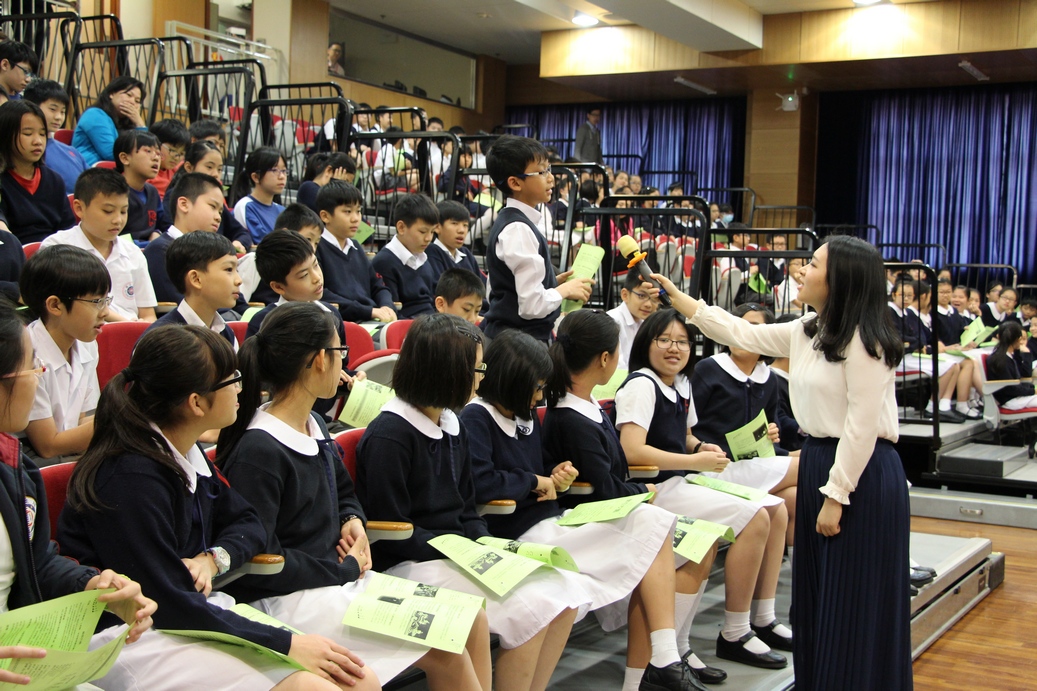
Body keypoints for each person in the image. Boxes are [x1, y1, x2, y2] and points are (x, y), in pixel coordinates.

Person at [651, 235, 913, 690]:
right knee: (817, 594)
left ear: (839, 281)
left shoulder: (865, 340)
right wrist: (684, 302)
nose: (801, 270)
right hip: (819, 460)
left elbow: (861, 426)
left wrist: (836, 494)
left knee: (853, 597)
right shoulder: (807, 330)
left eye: (812, 264)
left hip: (859, 473)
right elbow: (740, 333)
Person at [57, 325, 375, 690]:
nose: (242, 389)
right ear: (196, 403)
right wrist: (286, 643)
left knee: (358, 679)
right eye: (232, 381)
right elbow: (168, 601)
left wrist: (214, 558)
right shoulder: (129, 477)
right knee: (316, 684)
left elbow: (247, 522)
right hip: (130, 635)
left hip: (193, 613)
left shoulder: (186, 449)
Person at [217, 301, 493, 691]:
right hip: (292, 598)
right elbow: (265, 556)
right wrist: (344, 569)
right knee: (445, 644)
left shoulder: (312, 422)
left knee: (467, 619)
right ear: (317, 361)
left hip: (336, 581)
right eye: (339, 354)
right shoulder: (259, 449)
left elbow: (343, 492)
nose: (346, 364)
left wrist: (353, 522)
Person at [463, 329, 717, 691]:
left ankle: (664, 656)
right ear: (513, 381)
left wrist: (556, 475)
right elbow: (482, 481)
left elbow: (537, 470)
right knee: (649, 526)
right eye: (535, 387)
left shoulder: (524, 414)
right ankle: (662, 658)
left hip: (550, 518)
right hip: (515, 531)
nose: (540, 396)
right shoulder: (477, 418)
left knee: (654, 523)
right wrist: (535, 482)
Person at [543, 310, 789, 673]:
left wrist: (696, 449)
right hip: (649, 489)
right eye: (665, 340)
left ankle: (680, 649)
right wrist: (657, 482)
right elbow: (628, 456)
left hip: (651, 488)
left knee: (768, 511)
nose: (675, 348)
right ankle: (695, 645)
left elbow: (666, 444)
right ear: (609, 357)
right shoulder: (634, 387)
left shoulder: (611, 399)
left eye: (682, 341)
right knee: (749, 517)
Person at [356, 313, 591, 691]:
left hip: (456, 553)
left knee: (562, 592)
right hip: (412, 562)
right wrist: (459, 550)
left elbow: (466, 509)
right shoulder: (391, 434)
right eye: (476, 367)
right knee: (532, 605)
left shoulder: (451, 422)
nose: (482, 376)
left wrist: (485, 545)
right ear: (447, 371)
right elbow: (389, 528)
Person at [0, 301, 157, 688]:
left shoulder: (15, 468)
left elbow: (39, 563)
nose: (39, 376)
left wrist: (94, 585)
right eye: (32, 365)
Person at [690, 305, 800, 523]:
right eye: (737, 326)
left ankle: (792, 557)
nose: (743, 334)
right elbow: (687, 426)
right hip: (715, 467)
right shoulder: (709, 369)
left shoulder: (769, 378)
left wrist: (771, 433)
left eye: (753, 328)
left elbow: (771, 427)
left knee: (791, 499)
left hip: (752, 464)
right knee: (806, 466)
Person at [483, 135, 592, 342]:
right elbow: (531, 306)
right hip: (518, 347)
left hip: (514, 340)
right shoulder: (517, 228)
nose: (551, 178)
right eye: (542, 172)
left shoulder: (516, 222)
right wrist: (564, 290)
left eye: (549, 169)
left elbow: (509, 286)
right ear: (515, 183)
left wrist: (550, 283)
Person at [19, 246, 107, 463]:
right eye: (96, 302)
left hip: (67, 455)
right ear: (55, 305)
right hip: (33, 461)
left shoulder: (87, 344)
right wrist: (118, 420)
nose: (105, 311)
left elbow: (79, 420)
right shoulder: (28, 355)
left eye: (106, 300)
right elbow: (47, 445)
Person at [40, 169, 157, 323]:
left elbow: (148, 315)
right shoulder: (57, 248)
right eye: (108, 211)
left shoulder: (133, 253)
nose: (118, 220)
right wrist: (123, 325)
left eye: (123, 211)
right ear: (79, 208)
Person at [314, 181, 397, 323]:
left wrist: (387, 306)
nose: (356, 218)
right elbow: (322, 295)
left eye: (358, 211)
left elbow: (378, 286)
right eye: (347, 211)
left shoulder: (356, 247)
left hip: (370, 320)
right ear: (325, 216)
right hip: (342, 323)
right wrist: (369, 311)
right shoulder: (317, 248)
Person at [143, 231, 241, 350]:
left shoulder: (227, 334)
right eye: (229, 269)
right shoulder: (160, 341)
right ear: (196, 279)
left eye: (237, 270)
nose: (239, 280)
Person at [0, 100, 76, 243]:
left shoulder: (54, 180)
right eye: (28, 134)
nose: (38, 141)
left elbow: (68, 231)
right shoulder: (3, 181)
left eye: (42, 134)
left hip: (54, 256)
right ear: (5, 135)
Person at [143, 173, 227, 303]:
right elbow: (179, 304)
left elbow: (235, 301)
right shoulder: (160, 251)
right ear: (184, 204)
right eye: (212, 207)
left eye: (220, 212)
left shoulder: (216, 255)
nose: (218, 217)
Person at [370, 193, 438, 318]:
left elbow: (432, 302)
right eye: (422, 231)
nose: (428, 238)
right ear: (401, 227)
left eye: (432, 232)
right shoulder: (385, 262)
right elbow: (393, 310)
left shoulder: (424, 259)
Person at [22, 78, 87, 194]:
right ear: (32, 106)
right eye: (53, 109)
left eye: (62, 112)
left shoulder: (72, 151)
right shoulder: (25, 150)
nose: (59, 117)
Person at [72, 76, 147, 166]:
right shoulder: (95, 115)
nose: (132, 102)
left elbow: (145, 155)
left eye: (137, 101)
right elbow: (110, 154)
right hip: (88, 171)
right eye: (129, 95)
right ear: (111, 93)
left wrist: (140, 124)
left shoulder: (126, 123)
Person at [113, 129, 171, 241]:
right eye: (148, 151)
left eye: (158, 153)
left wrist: (157, 232)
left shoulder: (152, 192)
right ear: (125, 158)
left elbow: (163, 225)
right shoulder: (113, 191)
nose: (156, 158)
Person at [231, 146, 288, 244]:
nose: (282, 176)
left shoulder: (282, 211)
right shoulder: (245, 206)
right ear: (256, 177)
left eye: (284, 171)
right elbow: (263, 243)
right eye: (275, 170)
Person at [608, 270, 662, 370]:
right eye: (642, 296)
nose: (648, 304)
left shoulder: (650, 322)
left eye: (654, 298)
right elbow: (617, 369)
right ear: (625, 295)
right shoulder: (612, 321)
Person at [426, 200, 483, 283]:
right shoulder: (432, 252)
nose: (461, 230)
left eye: (465, 225)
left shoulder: (466, 254)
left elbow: (481, 285)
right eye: (454, 223)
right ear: (437, 227)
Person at [985, 321, 1036, 410]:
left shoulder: (1010, 356)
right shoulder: (1000, 359)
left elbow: (1025, 374)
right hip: (1011, 400)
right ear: (1018, 339)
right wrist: (1033, 391)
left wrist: (1024, 354)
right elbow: (1010, 388)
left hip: (1016, 397)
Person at [149, 118, 190, 198]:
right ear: (155, 143)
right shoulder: (144, 173)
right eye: (172, 150)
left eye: (181, 153)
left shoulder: (177, 171)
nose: (176, 157)